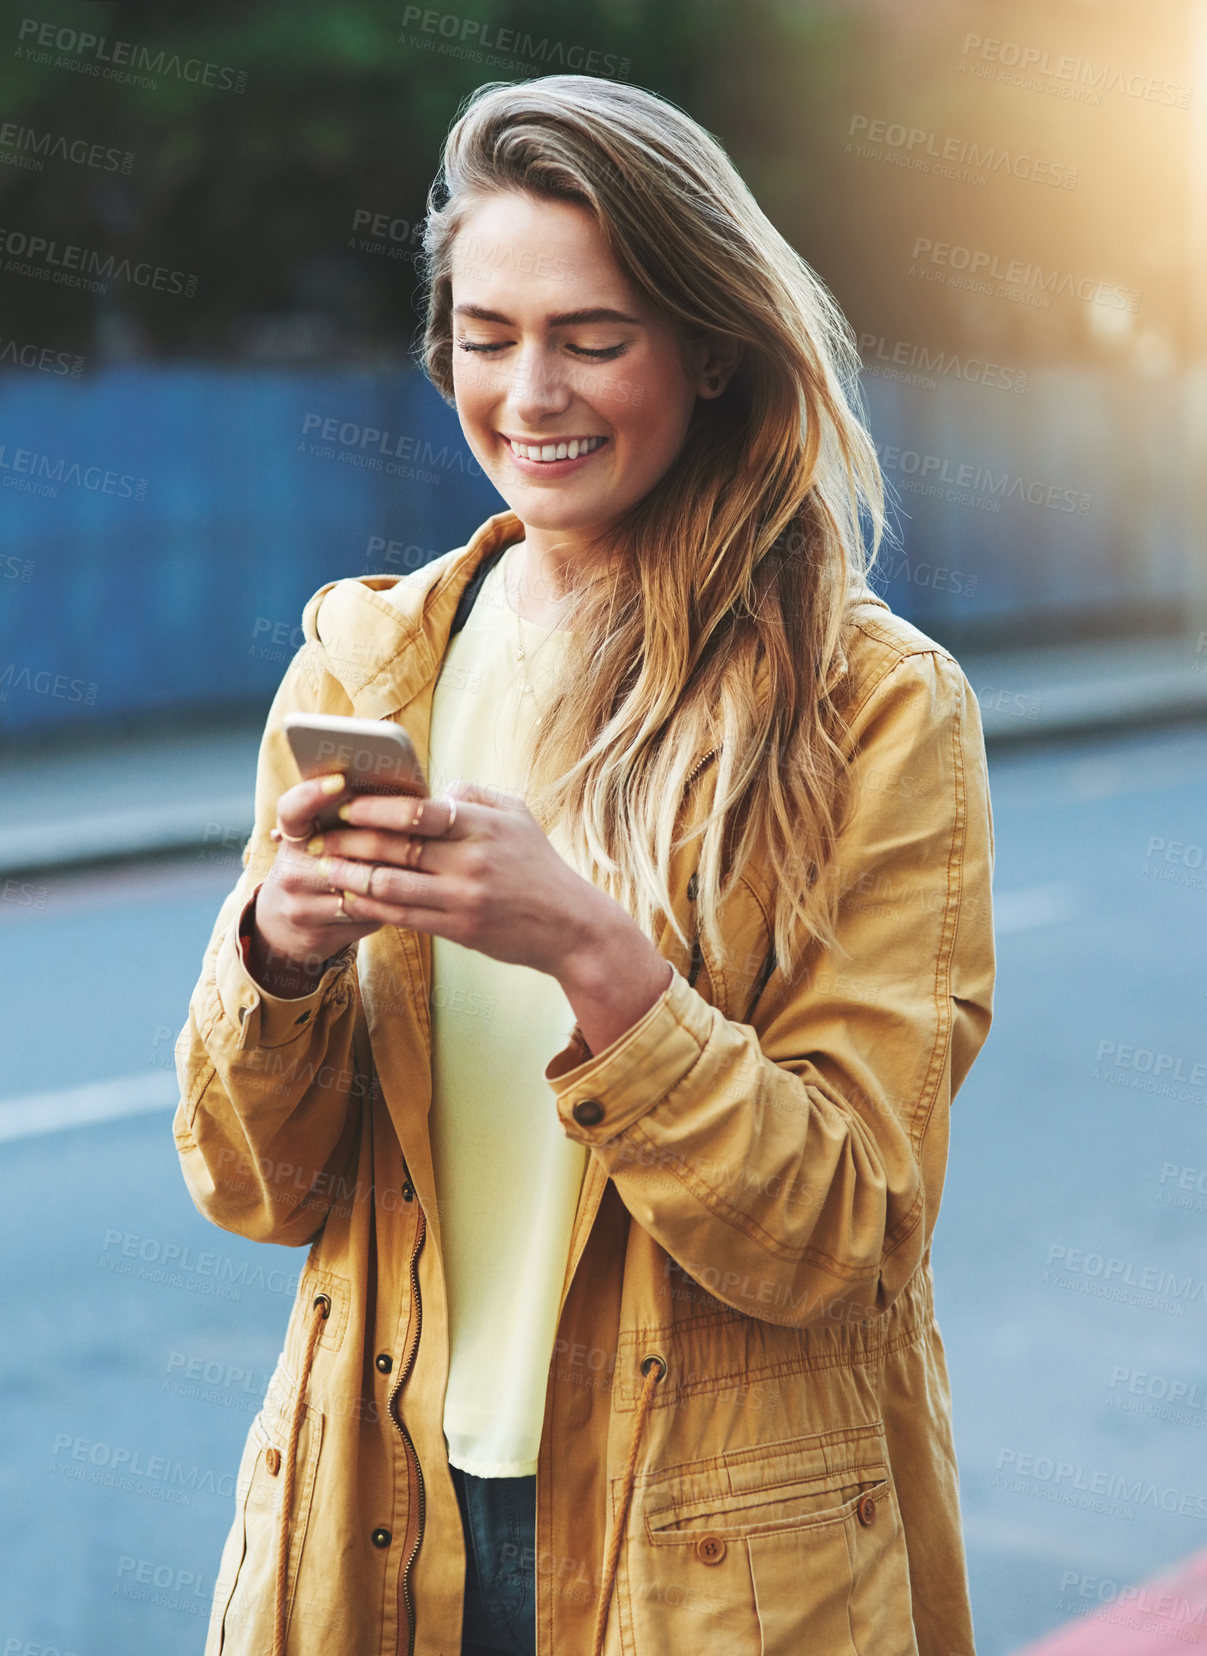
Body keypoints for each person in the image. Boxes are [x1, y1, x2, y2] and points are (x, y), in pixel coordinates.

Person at [174, 73, 994, 1656]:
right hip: (370, 1522)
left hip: (703, 1562)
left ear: (709, 347)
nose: (529, 392)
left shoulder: (876, 707)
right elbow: (255, 1186)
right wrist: (274, 956)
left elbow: (842, 1230)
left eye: (592, 338)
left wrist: (597, 961)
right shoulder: (365, 664)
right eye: (487, 337)